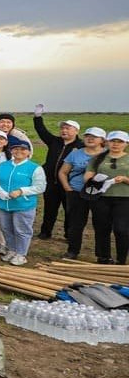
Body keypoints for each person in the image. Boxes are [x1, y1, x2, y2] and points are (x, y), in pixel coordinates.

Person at [0, 137, 47, 266]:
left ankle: (21, 254)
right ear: (11, 151)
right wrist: (1, 193)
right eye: (16, 149)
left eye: (23, 149)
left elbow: (40, 187)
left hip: (23, 205)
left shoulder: (34, 168)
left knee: (21, 230)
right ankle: (12, 250)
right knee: (6, 228)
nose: (19, 151)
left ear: (28, 152)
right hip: (4, 204)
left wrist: (22, 191)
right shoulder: (3, 166)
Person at [32, 105, 81, 240]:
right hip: (51, 182)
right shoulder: (54, 141)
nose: (64, 130)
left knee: (70, 210)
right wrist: (37, 117)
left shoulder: (81, 146)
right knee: (49, 209)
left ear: (76, 131)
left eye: (68, 128)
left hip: (69, 185)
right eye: (62, 128)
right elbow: (41, 131)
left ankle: (69, 234)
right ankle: (45, 232)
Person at [59, 127, 106, 260]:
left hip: (100, 194)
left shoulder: (108, 154)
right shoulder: (75, 154)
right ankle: (73, 251)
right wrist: (67, 188)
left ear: (102, 140)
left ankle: (102, 254)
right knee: (75, 223)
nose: (90, 139)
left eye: (94, 137)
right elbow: (63, 172)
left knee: (101, 224)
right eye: (87, 136)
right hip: (77, 192)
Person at [85, 130, 129, 265]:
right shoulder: (98, 158)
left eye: (120, 142)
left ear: (126, 144)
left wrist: (125, 179)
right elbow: (87, 176)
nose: (116, 144)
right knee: (101, 228)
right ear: (107, 142)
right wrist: (96, 180)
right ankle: (103, 257)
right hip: (101, 197)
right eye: (113, 141)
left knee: (121, 229)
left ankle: (121, 259)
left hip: (124, 198)